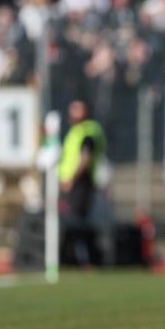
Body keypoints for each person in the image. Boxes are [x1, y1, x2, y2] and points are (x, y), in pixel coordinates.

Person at [58, 99, 107, 265]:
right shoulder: (75, 131)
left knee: (77, 221)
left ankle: (87, 257)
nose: (72, 113)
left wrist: (72, 179)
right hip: (70, 183)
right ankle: (75, 256)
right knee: (73, 220)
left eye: (77, 109)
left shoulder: (88, 130)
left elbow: (85, 157)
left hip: (80, 182)